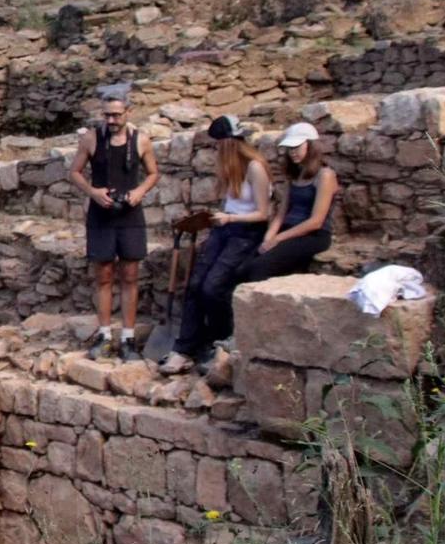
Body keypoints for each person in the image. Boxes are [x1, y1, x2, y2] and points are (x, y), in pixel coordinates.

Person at [159, 115, 271, 374]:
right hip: (225, 228)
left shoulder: (255, 168)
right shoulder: (229, 168)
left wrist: (230, 218)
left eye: (217, 145)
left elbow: (263, 213)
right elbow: (232, 204)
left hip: (246, 232)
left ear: (228, 144)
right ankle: (184, 348)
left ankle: (219, 339)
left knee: (213, 287)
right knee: (195, 284)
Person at [67, 94, 159, 362]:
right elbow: (75, 172)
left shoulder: (141, 140)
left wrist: (140, 191)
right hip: (101, 214)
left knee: (130, 275)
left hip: (130, 215)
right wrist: (93, 192)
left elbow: (153, 172)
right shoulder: (91, 138)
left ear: (128, 112)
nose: (111, 120)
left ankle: (128, 337)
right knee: (104, 275)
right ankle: (105, 334)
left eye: (116, 115)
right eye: (107, 115)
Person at [235, 121, 339, 287]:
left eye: (297, 147)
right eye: (290, 148)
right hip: (287, 230)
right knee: (241, 269)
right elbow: (281, 213)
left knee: (259, 268)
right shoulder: (295, 175)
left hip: (312, 236)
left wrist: (278, 239)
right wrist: (269, 236)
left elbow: (316, 221)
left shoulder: (324, 175)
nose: (293, 152)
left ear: (310, 146)